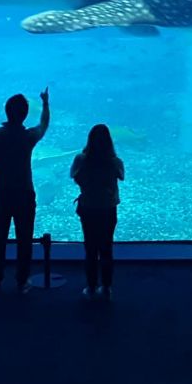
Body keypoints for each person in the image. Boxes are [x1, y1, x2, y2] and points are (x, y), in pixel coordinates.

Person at [0, 87, 51, 292]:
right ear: (25, 114)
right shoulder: (29, 136)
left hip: (1, 193)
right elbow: (44, 125)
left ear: (6, 111)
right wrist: (45, 103)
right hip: (24, 193)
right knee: (25, 238)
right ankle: (22, 281)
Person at [70, 123, 125, 299]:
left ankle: (91, 286)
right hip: (108, 209)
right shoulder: (115, 162)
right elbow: (121, 176)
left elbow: (73, 176)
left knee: (90, 247)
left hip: (88, 208)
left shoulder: (81, 159)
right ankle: (107, 287)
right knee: (107, 246)